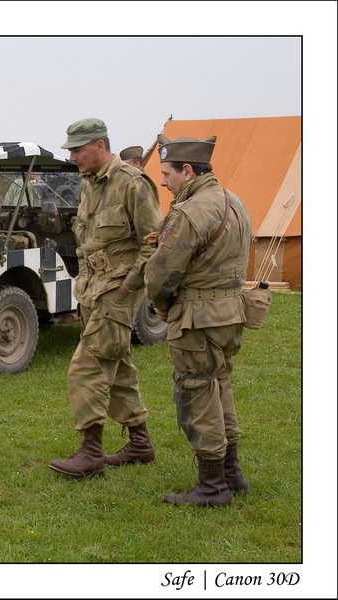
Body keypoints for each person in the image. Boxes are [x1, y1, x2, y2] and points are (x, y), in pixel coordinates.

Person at [48, 118, 162, 478]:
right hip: (93, 289)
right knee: (119, 366)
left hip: (116, 290)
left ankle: (91, 451)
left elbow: (153, 244)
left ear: (100, 145)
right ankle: (140, 444)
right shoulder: (88, 184)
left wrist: (128, 285)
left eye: (78, 149)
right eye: (70, 149)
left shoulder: (132, 183)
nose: (72, 156)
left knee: (88, 366)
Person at [144, 135, 253, 507]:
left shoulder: (190, 211)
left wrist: (159, 304)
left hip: (198, 318)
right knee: (219, 384)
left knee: (197, 390)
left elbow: (161, 272)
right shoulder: (232, 201)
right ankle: (231, 473)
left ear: (187, 171)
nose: (163, 181)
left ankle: (212, 486)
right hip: (230, 313)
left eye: (167, 173)